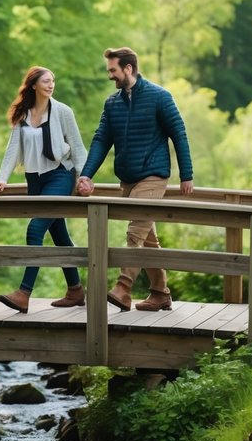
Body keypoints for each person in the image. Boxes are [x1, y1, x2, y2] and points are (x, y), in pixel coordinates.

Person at [77, 46, 194, 311]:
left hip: (153, 175)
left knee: (134, 232)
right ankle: (160, 293)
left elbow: (179, 134)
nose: (110, 76)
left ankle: (124, 287)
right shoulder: (112, 103)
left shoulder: (159, 97)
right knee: (147, 238)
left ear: (128, 68)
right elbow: (101, 140)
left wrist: (187, 175)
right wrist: (86, 174)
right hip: (128, 180)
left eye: (113, 70)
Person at [0, 66, 88, 313]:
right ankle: (76, 290)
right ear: (34, 84)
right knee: (59, 235)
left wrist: (84, 178)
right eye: (46, 81)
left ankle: (24, 293)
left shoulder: (62, 111)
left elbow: (77, 146)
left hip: (59, 176)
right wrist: (2, 178)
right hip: (35, 181)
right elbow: (12, 150)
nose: (51, 84)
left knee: (35, 229)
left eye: (53, 81)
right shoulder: (23, 114)